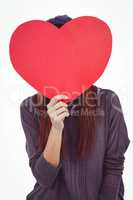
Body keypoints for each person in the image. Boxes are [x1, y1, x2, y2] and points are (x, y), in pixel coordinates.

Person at [20, 14, 130, 200]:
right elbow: (44, 178)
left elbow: (114, 167)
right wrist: (56, 129)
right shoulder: (30, 107)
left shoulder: (108, 101)